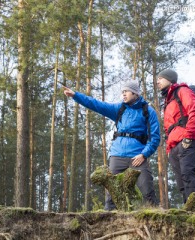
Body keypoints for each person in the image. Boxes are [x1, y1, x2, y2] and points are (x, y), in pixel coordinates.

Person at [63, 81, 161, 210]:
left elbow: (155, 137)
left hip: (137, 157)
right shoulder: (119, 109)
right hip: (117, 155)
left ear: (135, 93)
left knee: (147, 190)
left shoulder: (148, 111)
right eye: (122, 92)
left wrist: (144, 154)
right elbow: (96, 104)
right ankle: (108, 218)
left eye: (126, 91)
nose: (123, 94)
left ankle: (154, 217)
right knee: (112, 194)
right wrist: (76, 95)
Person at [157, 69, 195, 204]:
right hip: (173, 146)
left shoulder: (182, 91)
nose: (157, 82)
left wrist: (188, 137)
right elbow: (168, 129)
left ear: (169, 78)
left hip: (186, 141)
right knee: (181, 183)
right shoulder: (168, 100)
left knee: (188, 175)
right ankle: (189, 211)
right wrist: (168, 150)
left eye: (160, 78)